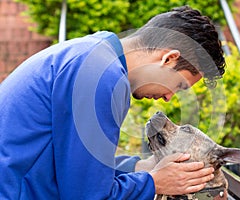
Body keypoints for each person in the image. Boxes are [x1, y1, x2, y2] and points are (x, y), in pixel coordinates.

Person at [0, 5, 225, 200]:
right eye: (179, 86)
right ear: (169, 59)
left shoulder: (95, 54)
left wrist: (139, 167)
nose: (169, 97)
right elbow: (88, 196)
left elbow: (76, 170)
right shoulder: (101, 76)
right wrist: (153, 183)